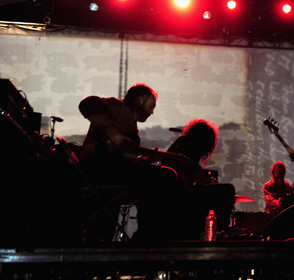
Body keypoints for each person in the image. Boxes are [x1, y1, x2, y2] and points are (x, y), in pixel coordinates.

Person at [78, 83, 177, 242]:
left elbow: (123, 156)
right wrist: (115, 135)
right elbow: (87, 104)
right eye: (151, 106)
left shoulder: (131, 125)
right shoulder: (117, 107)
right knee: (166, 176)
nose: (152, 112)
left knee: (160, 177)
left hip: (112, 171)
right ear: (139, 101)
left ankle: (148, 232)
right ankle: (148, 234)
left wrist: (141, 161)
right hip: (98, 171)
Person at [163, 118, 224, 240]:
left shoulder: (181, 143)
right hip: (178, 196)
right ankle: (221, 230)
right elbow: (187, 181)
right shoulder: (190, 147)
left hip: (169, 194)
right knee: (226, 190)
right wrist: (197, 186)